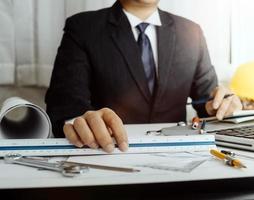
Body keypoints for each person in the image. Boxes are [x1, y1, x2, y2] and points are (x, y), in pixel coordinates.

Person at [45, 0, 242, 153]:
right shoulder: (82, 27)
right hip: (107, 151)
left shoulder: (191, 31)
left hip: (177, 151)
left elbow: (207, 101)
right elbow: (65, 107)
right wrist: (80, 122)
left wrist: (222, 104)